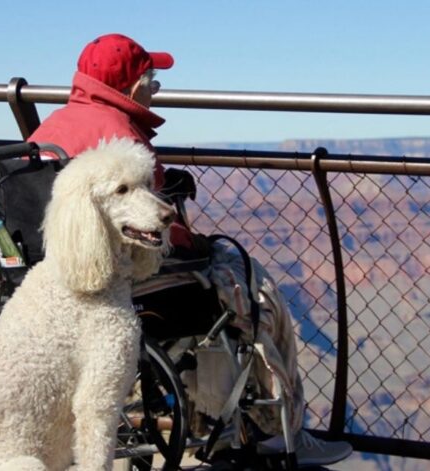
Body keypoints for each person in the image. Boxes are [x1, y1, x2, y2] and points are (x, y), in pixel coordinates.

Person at [28, 33, 352, 466]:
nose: (154, 89)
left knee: (218, 285)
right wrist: (195, 244)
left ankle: (218, 427)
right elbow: (161, 227)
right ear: (130, 86)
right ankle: (278, 431)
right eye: (152, 80)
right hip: (129, 280)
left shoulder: (49, 128)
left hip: (62, 277)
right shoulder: (120, 137)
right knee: (254, 288)